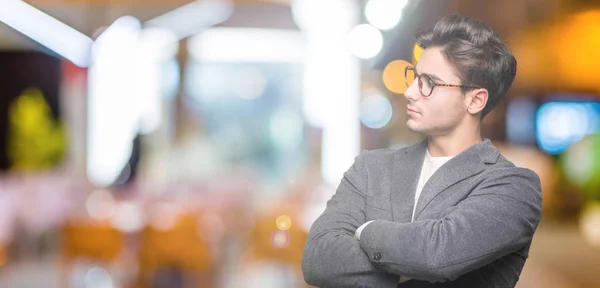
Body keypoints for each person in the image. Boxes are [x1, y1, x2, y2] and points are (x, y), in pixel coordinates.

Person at [302, 14, 542, 287]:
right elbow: (317, 259)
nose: (410, 92)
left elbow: (436, 254)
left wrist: (366, 231)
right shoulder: (370, 168)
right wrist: (409, 262)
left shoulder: (513, 187)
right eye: (414, 77)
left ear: (475, 100)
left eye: (429, 82)